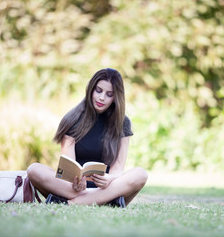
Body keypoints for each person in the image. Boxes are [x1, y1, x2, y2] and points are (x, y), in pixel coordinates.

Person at [27, 68, 148, 207]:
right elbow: (68, 165)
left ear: (116, 97)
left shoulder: (123, 123)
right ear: (91, 89)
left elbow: (118, 168)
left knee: (140, 174)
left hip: (106, 188)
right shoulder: (72, 119)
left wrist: (109, 179)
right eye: (98, 91)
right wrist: (75, 183)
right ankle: (96, 201)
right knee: (34, 170)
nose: (102, 97)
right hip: (73, 189)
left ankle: (73, 203)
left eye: (109, 94)